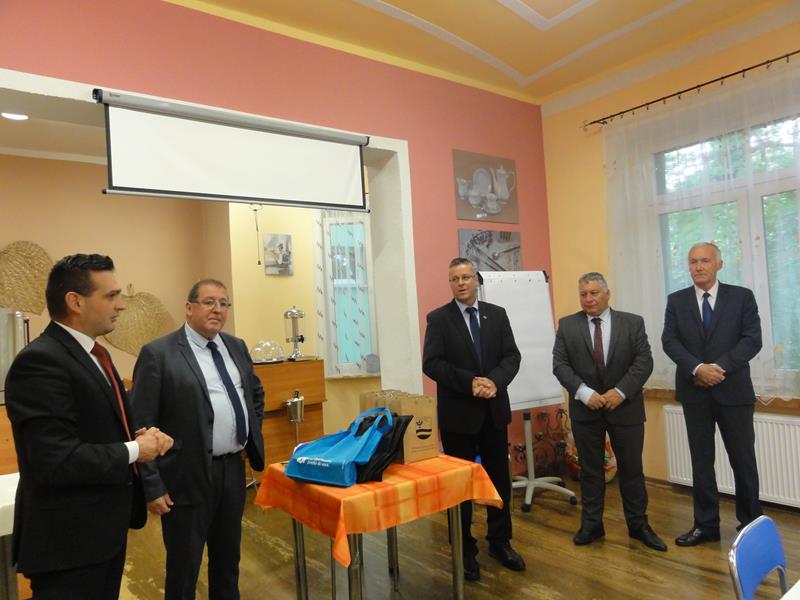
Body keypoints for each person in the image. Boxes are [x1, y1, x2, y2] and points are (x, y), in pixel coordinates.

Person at [5, 253, 172, 599]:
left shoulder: (94, 354)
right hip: (68, 543)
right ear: (75, 301)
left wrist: (135, 438)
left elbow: (91, 428)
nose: (121, 304)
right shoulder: (41, 361)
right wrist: (135, 450)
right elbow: (54, 459)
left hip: (101, 534)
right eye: (111, 295)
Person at [130, 278, 265, 599]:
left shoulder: (236, 346)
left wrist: (248, 435)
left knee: (228, 561)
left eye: (224, 303)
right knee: (184, 568)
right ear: (189, 308)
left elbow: (255, 394)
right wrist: (152, 485)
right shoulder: (158, 354)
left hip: (232, 472)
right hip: (185, 476)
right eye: (209, 302)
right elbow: (141, 424)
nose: (218, 309)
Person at [422, 257, 525, 581]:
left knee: (498, 482)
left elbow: (512, 356)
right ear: (450, 283)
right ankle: (464, 548)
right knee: (460, 487)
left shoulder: (497, 315)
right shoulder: (439, 319)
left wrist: (494, 381)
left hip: (493, 411)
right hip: (458, 417)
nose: (461, 283)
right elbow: (432, 364)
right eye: (455, 279)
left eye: (466, 277)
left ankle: (500, 541)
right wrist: (470, 383)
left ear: (477, 280)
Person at [552, 272, 666, 551]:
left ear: (607, 294)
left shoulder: (632, 323)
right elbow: (560, 365)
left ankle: (638, 526)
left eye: (594, 293)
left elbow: (644, 361)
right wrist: (584, 393)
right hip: (586, 410)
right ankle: (592, 525)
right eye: (583, 294)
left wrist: (620, 392)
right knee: (590, 472)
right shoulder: (567, 325)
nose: (588, 299)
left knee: (632, 470)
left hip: (625, 408)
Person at [662, 242, 763, 546]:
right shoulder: (676, 300)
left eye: (705, 260)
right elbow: (670, 341)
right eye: (693, 261)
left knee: (743, 461)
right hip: (695, 393)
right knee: (701, 462)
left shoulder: (742, 297)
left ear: (719, 264)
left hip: (734, 391)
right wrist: (697, 368)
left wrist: (719, 368)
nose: (698, 267)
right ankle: (705, 526)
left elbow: (752, 339)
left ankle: (750, 524)